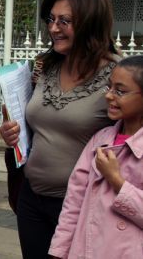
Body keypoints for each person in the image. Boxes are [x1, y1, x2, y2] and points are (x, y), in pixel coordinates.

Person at [0, 0, 120, 258]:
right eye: (51, 19)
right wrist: (12, 134)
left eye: (64, 21)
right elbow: (33, 123)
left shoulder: (117, 76)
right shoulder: (45, 66)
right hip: (31, 199)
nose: (53, 28)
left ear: (90, 23)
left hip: (81, 207)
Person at [49, 55, 143, 258]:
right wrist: (59, 250)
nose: (109, 96)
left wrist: (117, 181)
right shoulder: (101, 139)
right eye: (109, 87)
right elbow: (74, 201)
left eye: (120, 91)